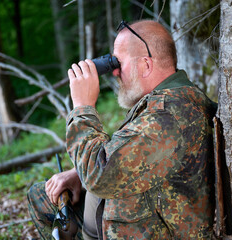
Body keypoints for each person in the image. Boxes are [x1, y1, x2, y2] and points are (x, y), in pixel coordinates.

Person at [27, 19, 217, 239]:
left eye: (119, 63)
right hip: (138, 213)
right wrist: (79, 175)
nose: (115, 73)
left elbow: (100, 175)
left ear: (146, 65)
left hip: (152, 229)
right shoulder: (170, 100)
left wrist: (83, 107)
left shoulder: (168, 115)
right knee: (42, 196)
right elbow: (128, 156)